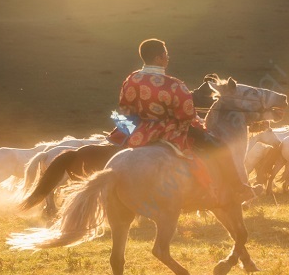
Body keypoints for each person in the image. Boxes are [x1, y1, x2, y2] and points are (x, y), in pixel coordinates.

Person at [107, 38, 256, 205]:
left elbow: (125, 107)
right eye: (165, 54)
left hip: (139, 130)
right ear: (158, 58)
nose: (167, 57)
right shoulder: (173, 84)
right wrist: (195, 120)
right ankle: (238, 188)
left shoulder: (131, 79)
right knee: (220, 147)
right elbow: (185, 114)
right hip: (169, 131)